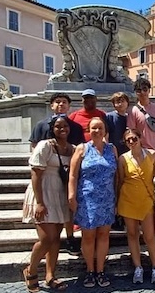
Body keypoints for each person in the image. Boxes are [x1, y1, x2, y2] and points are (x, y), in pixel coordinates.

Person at [21, 115, 74, 292]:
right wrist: (40, 202)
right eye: (58, 126)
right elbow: (35, 174)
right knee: (46, 238)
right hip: (43, 192)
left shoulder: (71, 148)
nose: (62, 129)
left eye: (65, 126)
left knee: (56, 239)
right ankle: (31, 270)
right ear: (53, 129)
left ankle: (50, 275)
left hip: (59, 194)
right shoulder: (45, 146)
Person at [27, 92, 84, 256]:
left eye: (64, 102)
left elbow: (78, 149)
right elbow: (34, 147)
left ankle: (70, 237)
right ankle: (33, 271)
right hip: (47, 178)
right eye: (57, 102)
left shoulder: (75, 126)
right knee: (49, 234)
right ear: (51, 105)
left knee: (66, 211)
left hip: (65, 178)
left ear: (69, 105)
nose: (61, 105)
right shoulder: (41, 126)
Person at [68, 117, 118, 288]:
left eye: (100, 128)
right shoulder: (82, 149)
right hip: (87, 199)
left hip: (107, 199)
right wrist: (71, 196)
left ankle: (100, 270)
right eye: (93, 128)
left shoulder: (112, 149)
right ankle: (90, 270)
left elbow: (116, 176)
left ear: (105, 131)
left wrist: (116, 198)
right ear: (88, 130)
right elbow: (73, 175)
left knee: (104, 235)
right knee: (88, 236)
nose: (97, 131)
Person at [117, 129, 155, 284]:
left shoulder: (151, 155)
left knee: (149, 236)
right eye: (128, 140)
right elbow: (121, 180)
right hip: (128, 199)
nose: (131, 142)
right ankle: (138, 268)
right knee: (132, 234)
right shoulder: (123, 159)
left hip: (146, 199)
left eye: (134, 138)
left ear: (140, 138)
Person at [127, 78, 155, 152]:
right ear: (136, 93)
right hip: (143, 151)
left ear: (149, 90)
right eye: (139, 90)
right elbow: (132, 133)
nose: (142, 92)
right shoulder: (133, 111)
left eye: (145, 89)